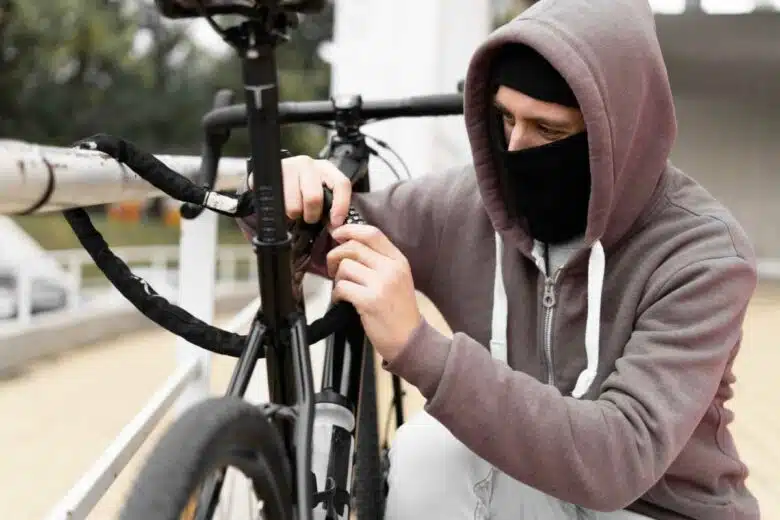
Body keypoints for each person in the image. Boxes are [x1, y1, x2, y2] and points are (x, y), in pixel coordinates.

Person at [237, 0, 760, 518]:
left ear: (619, 131)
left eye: (548, 131)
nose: (515, 149)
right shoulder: (470, 206)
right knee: (427, 452)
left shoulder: (703, 254)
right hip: (530, 490)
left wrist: (417, 347)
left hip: (656, 509)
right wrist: (285, 191)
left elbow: (619, 458)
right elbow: (336, 228)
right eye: (504, 118)